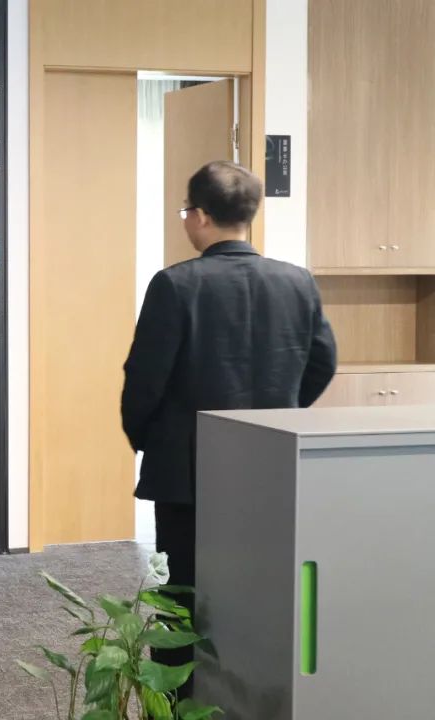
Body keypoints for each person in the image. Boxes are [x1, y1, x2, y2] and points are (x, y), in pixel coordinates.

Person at [121, 161, 337, 695]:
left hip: (186, 473)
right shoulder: (297, 280)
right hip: (272, 467)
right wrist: (280, 419)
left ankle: (180, 700)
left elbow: (144, 382)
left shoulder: (175, 284)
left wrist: (151, 441)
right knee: (262, 586)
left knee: (184, 595)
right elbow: (322, 363)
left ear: (198, 215)